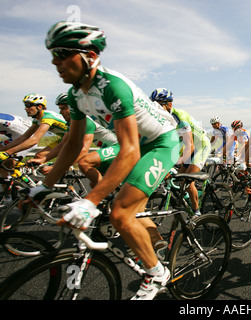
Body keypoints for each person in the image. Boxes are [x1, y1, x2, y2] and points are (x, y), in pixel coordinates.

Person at [27, 21, 181, 300]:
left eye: (62, 53)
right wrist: (44, 186)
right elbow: (73, 145)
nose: (55, 61)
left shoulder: (113, 87)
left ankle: (157, 273)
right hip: (138, 143)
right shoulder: (76, 94)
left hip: (162, 143)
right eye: (53, 55)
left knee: (120, 214)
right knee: (102, 182)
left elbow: (130, 150)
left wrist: (90, 200)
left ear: (90, 56)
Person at [28, 93, 118, 184]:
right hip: (107, 149)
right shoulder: (72, 123)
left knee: (84, 162)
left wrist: (58, 167)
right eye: (60, 109)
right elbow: (64, 144)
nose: (60, 112)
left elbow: (83, 151)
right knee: (94, 183)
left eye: (63, 108)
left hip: (119, 147)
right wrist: (43, 159)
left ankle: (103, 193)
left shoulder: (85, 121)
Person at [150, 88, 211, 216]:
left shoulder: (180, 115)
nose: (156, 108)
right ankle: (190, 197)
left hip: (201, 146)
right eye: (154, 105)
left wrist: (171, 164)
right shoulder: (164, 119)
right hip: (188, 146)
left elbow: (190, 146)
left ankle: (196, 213)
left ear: (169, 104)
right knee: (180, 178)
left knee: (188, 182)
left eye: (159, 105)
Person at [0, 94, 68, 164]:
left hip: (74, 137)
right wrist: (3, 150)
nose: (25, 108)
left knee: (51, 161)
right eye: (25, 105)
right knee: (39, 156)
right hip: (65, 138)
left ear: (39, 107)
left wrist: (8, 152)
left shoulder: (48, 117)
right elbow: (24, 137)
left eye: (28, 105)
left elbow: (34, 140)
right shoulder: (37, 119)